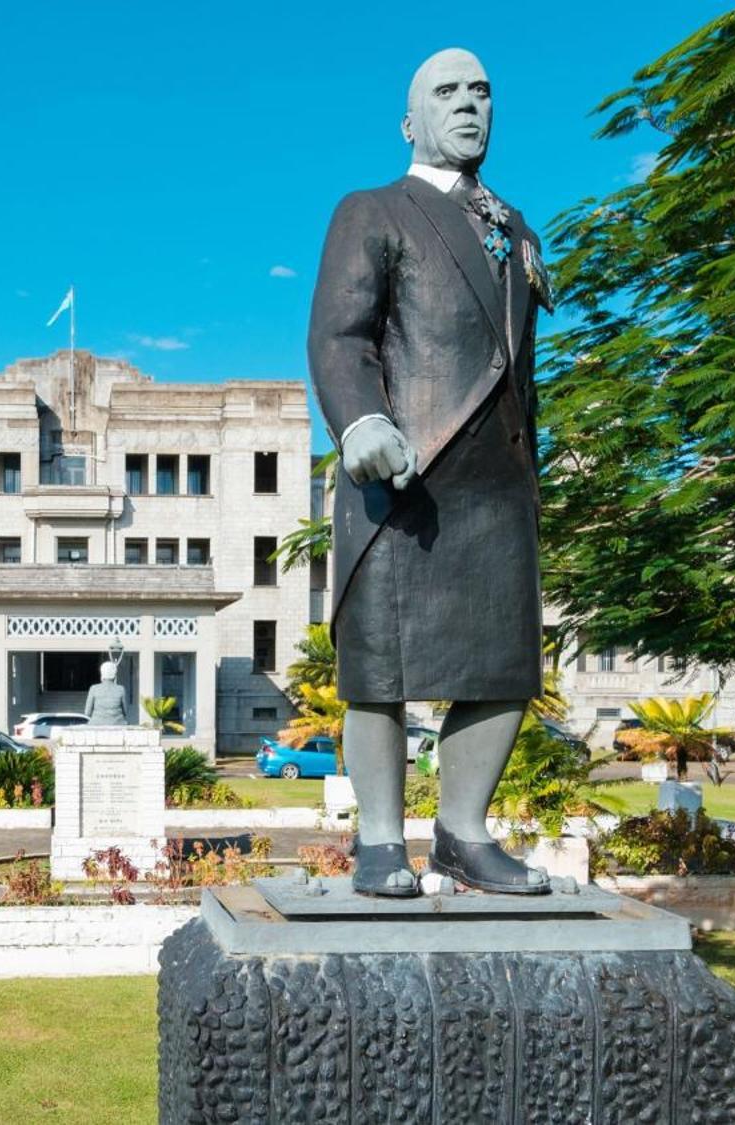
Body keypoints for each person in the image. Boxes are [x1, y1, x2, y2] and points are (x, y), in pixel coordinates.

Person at [307, 47, 555, 897]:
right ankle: (380, 839)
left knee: (503, 666)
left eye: (482, 90)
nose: (468, 104)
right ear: (410, 122)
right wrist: (362, 419)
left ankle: (461, 832)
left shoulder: (516, 226)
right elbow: (341, 337)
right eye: (446, 92)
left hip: (498, 484)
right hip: (400, 478)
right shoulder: (373, 210)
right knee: (380, 670)